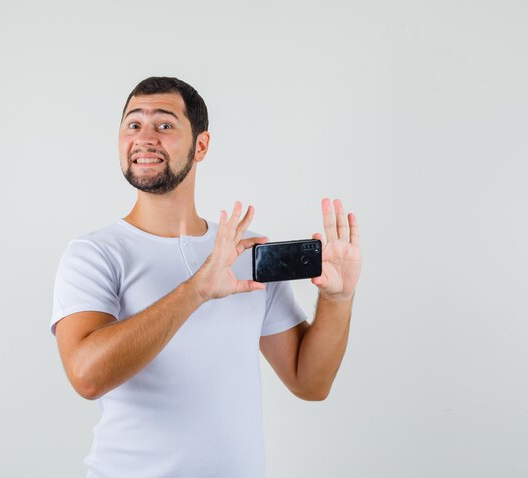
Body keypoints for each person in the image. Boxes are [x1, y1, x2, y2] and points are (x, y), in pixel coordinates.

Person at [51, 76, 362, 478]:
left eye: (164, 125)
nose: (145, 137)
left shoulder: (244, 250)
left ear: (201, 145)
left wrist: (338, 300)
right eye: (133, 124)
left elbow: (310, 383)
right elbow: (87, 376)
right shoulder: (94, 254)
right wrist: (196, 289)